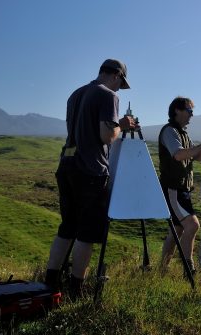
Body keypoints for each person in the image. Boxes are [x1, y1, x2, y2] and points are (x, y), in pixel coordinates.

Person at [44, 59, 137, 298]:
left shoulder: (75, 94)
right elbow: (107, 136)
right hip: (90, 170)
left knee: (67, 227)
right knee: (87, 233)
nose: (119, 89)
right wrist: (122, 125)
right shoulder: (108, 95)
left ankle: (50, 283)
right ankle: (76, 289)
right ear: (116, 76)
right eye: (120, 83)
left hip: (66, 164)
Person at [158, 97, 201, 275]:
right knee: (192, 225)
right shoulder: (170, 132)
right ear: (177, 111)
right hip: (173, 188)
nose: (192, 115)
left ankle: (161, 271)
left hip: (182, 189)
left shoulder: (183, 134)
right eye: (189, 110)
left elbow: (196, 156)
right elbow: (179, 155)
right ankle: (188, 268)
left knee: (177, 230)